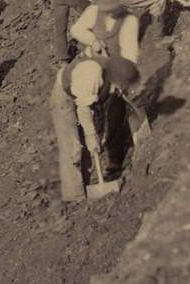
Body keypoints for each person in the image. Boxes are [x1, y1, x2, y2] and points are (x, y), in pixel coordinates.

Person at [49, 54, 140, 202]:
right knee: (72, 145)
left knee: (99, 130)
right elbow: (83, 109)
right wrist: (91, 135)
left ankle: (99, 168)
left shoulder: (115, 68)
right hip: (65, 96)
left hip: (89, 92)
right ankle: (75, 196)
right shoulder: (91, 73)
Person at [71, 0, 141, 64]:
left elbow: (129, 52)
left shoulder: (128, 21)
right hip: (93, 58)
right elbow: (76, 30)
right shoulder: (93, 11)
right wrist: (93, 41)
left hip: (116, 63)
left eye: (110, 8)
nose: (107, 12)